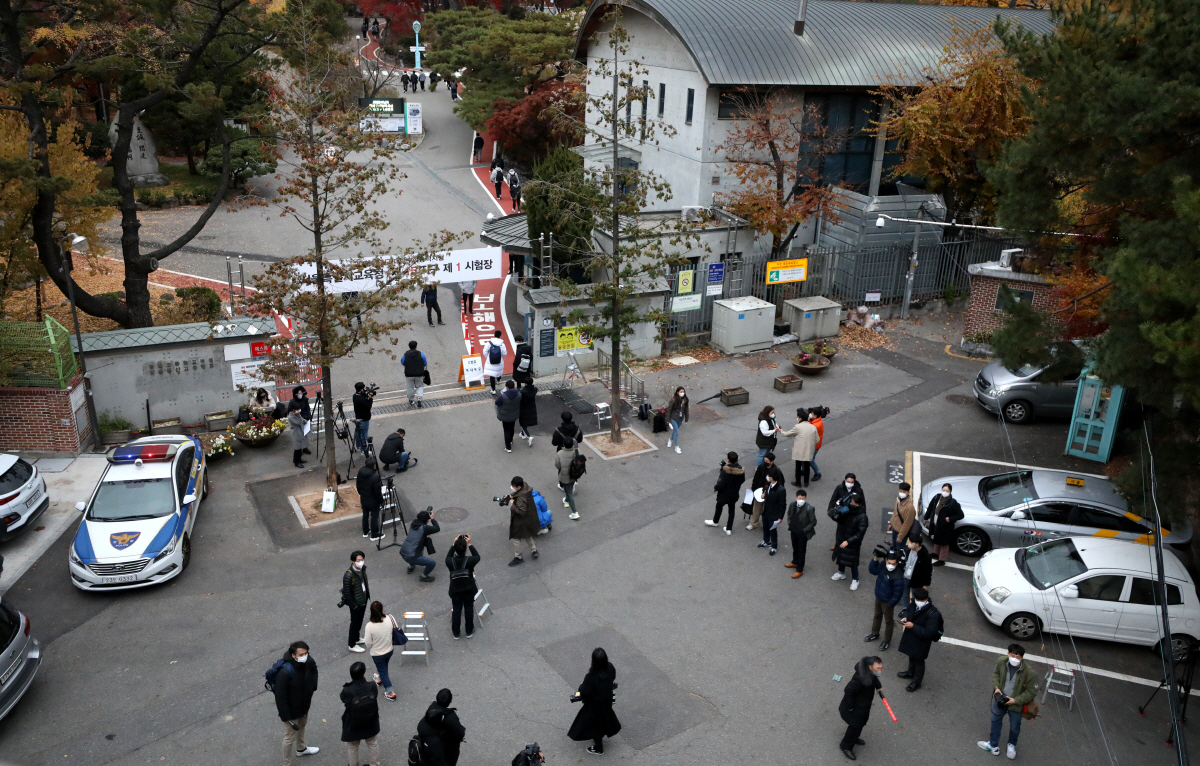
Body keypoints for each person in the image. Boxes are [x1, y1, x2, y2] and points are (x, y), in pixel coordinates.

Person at [978, 644, 1039, 759]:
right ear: (1008, 653)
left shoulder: (1030, 673)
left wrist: (1015, 700)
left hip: (1016, 704)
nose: (1014, 658)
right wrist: (996, 688)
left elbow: (1031, 692)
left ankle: (1011, 745)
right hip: (1000, 699)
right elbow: (996, 674)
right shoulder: (1002, 661)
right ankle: (993, 745)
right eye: (1012, 654)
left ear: (1022, 658)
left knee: (1015, 726)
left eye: (1018, 656)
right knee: (995, 721)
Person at [567, 647, 622, 756]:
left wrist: (581, 685)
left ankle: (598, 748)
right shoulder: (610, 667)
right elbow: (612, 678)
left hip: (595, 705)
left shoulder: (591, 677)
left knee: (594, 725)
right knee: (605, 719)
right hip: (607, 701)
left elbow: (584, 691)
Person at [275, 641, 320, 764]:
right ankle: (287, 763)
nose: (304, 656)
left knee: (302, 725)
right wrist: (286, 717)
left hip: (303, 705)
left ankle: (301, 748)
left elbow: (314, 669)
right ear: (293, 655)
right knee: (289, 738)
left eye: (306, 653)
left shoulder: (308, 661)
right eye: (301, 654)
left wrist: (313, 686)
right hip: (291, 711)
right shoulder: (285, 672)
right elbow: (280, 696)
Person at [897, 586, 942, 692]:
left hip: (922, 642)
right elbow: (909, 610)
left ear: (926, 599)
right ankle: (910, 672)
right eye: (917, 600)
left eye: (921, 600)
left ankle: (917, 682)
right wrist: (905, 616)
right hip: (912, 637)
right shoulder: (914, 604)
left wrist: (913, 626)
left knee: (919, 661)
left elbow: (929, 632)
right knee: (911, 656)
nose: (918, 602)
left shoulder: (933, 614)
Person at [838, 656, 882, 761]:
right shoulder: (860, 679)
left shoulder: (868, 674)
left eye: (881, 667)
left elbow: (874, 680)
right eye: (878, 668)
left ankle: (854, 738)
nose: (880, 670)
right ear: (870, 667)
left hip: (862, 707)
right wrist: (850, 707)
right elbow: (848, 691)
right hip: (855, 709)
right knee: (854, 727)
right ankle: (846, 746)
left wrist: (878, 686)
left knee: (859, 725)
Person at [831, 476, 868, 590]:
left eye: (853, 503)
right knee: (841, 556)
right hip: (842, 536)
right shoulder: (848, 511)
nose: (851, 504)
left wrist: (849, 541)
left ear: (858, 504)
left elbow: (860, 533)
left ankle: (855, 579)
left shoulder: (862, 517)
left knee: (852, 562)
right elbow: (840, 521)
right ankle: (841, 572)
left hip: (852, 543)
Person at [340, 661, 380, 766]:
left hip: (353, 722)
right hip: (370, 720)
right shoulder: (372, 686)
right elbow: (375, 696)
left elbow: (344, 700)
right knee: (372, 743)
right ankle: (374, 764)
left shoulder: (347, 690)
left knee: (353, 746)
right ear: (364, 673)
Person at [864, 548, 905, 650]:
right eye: (889, 562)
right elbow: (873, 570)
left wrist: (890, 603)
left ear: (897, 563)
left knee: (888, 622)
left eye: (893, 563)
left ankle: (886, 641)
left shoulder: (898, 576)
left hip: (887, 602)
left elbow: (898, 593)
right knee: (877, 616)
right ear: (886, 560)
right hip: (879, 597)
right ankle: (875, 633)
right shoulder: (883, 565)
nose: (890, 565)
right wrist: (876, 559)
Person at [362, 601, 398, 700]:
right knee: (383, 667)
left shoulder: (369, 626)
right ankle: (379, 678)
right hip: (389, 649)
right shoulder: (390, 618)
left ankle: (391, 692)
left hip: (377, 653)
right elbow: (396, 628)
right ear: (382, 609)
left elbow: (368, 643)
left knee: (383, 671)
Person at [445, 535, 480, 639]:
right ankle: (469, 631)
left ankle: (456, 632)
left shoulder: (449, 561)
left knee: (456, 610)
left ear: (455, 549)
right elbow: (477, 556)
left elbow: (448, 555)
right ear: (465, 550)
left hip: (455, 590)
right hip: (469, 589)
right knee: (468, 609)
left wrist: (454, 543)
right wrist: (470, 544)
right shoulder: (470, 561)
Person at [924, 482, 963, 566]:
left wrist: (950, 518)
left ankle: (942, 559)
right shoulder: (937, 497)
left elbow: (960, 515)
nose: (945, 492)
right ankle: (935, 553)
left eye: (947, 490)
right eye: (943, 490)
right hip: (936, 524)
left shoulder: (953, 503)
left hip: (946, 527)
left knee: (944, 543)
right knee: (937, 539)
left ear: (950, 492)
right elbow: (931, 508)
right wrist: (926, 518)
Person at [707, 451, 745, 534]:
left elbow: (721, 483)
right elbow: (742, 480)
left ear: (728, 460)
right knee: (731, 509)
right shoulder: (740, 469)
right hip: (734, 493)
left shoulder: (725, 470)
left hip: (724, 494)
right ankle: (729, 528)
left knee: (719, 506)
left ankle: (715, 521)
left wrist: (716, 488)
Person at [339, 551, 371, 651]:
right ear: (353, 561)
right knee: (354, 623)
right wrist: (354, 606)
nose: (360, 562)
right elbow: (347, 594)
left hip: (363, 600)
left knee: (359, 621)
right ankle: (352, 645)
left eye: (362, 560)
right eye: (358, 560)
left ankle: (356, 639)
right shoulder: (348, 575)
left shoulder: (362, 569)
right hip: (356, 604)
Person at [779, 408, 818, 487]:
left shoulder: (798, 427)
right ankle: (806, 482)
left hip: (799, 450)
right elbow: (817, 439)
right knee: (807, 466)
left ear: (800, 418)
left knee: (798, 467)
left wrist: (781, 431)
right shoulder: (813, 427)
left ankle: (798, 482)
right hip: (808, 450)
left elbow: (788, 434)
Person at [506, 476, 540, 566]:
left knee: (516, 538)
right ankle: (534, 550)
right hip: (529, 519)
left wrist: (512, 505)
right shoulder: (525, 487)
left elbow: (522, 512)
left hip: (520, 521)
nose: (512, 487)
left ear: (519, 487)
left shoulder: (521, 499)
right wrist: (511, 495)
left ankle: (518, 557)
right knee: (527, 535)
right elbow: (518, 493)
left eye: (513, 486)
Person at [428, 689, 466, 766]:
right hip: (448, 747)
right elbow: (459, 733)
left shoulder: (432, 708)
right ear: (450, 701)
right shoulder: (451, 716)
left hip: (433, 744)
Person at [400, 510, 440, 581]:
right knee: (432, 563)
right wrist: (432, 518)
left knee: (417, 550)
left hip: (403, 551)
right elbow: (437, 528)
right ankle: (423, 577)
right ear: (426, 520)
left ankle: (411, 566)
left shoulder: (414, 523)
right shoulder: (424, 528)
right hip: (411, 556)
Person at [747, 453, 783, 530]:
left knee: (766, 509)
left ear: (772, 461)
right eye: (765, 460)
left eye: (767, 461)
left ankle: (765, 523)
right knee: (756, 508)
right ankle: (753, 523)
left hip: (770, 493)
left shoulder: (776, 471)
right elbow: (756, 478)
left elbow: (780, 483)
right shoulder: (761, 467)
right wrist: (754, 488)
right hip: (759, 491)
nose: (765, 462)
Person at [786, 488, 817, 577]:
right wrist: (790, 524)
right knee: (795, 547)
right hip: (793, 530)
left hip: (802, 533)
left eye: (803, 498)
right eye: (799, 498)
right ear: (796, 497)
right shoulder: (792, 505)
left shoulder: (809, 508)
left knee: (801, 551)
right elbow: (789, 515)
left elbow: (813, 522)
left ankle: (800, 569)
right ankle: (795, 562)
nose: (801, 500)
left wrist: (804, 530)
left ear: (805, 498)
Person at [757, 471, 787, 554]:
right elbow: (765, 489)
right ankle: (766, 540)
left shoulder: (781, 490)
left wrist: (780, 517)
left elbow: (783, 505)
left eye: (769, 476)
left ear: (772, 478)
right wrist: (763, 494)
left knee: (772, 530)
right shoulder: (768, 484)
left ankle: (774, 546)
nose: (767, 477)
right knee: (765, 527)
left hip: (774, 513)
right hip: (766, 510)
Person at [902, 532, 933, 607]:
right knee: (905, 595)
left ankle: (914, 610)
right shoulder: (907, 550)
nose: (909, 543)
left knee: (915, 597)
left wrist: (925, 585)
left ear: (917, 544)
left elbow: (928, 572)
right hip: (906, 577)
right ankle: (905, 608)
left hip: (917, 580)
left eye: (911, 542)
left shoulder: (925, 556)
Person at [356, 459, 383, 541]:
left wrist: (361, 494)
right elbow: (377, 492)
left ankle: (366, 531)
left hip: (364, 498)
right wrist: (381, 500)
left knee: (365, 515)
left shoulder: (360, 472)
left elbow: (358, 485)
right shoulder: (375, 477)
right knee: (374, 516)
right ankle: (374, 534)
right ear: (374, 465)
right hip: (373, 500)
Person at [556, 437, 581, 520]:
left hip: (564, 476)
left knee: (569, 493)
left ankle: (574, 512)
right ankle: (566, 501)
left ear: (564, 444)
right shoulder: (578, 452)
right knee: (568, 490)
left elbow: (557, 465)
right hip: (575, 475)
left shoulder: (559, 453)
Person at [495, 379, 522, 452]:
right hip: (514, 415)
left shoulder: (503, 396)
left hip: (505, 416)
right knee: (512, 427)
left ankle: (508, 447)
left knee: (506, 430)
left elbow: (497, 402)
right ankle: (511, 440)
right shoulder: (519, 394)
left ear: (507, 387)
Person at [401, 340, 428, 408]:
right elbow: (425, 363)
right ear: (416, 346)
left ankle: (411, 400)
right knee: (419, 386)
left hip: (409, 374)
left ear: (409, 347)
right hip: (419, 374)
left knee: (410, 387)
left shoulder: (405, 355)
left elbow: (402, 362)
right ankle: (419, 399)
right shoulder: (421, 354)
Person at [890, 482, 916, 547]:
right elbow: (895, 513)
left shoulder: (910, 508)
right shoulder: (898, 500)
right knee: (894, 548)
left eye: (904, 491)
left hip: (901, 533)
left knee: (899, 552)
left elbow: (907, 524)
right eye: (900, 491)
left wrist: (900, 537)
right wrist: (891, 523)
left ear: (908, 492)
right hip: (895, 529)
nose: (901, 493)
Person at [665, 386, 689, 454]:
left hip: (680, 418)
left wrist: (686, 419)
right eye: (681, 392)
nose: (682, 393)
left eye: (683, 391)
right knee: (677, 432)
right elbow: (669, 410)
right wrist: (668, 420)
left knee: (675, 431)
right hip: (674, 418)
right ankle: (676, 446)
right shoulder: (674, 400)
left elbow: (686, 410)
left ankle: (670, 440)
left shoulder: (685, 400)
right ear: (677, 392)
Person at [352, 382, 374, 453]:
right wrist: (370, 398)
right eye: (363, 389)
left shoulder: (355, 396)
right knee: (364, 434)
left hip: (358, 417)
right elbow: (368, 406)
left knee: (358, 433)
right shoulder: (361, 399)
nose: (364, 390)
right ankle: (363, 450)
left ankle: (358, 445)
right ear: (361, 389)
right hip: (364, 419)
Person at [808, 405, 827, 481]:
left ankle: (817, 473)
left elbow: (808, 430)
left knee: (810, 460)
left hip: (815, 445)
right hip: (814, 444)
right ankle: (803, 469)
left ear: (815, 416)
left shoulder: (816, 425)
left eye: (812, 414)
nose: (810, 415)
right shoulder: (816, 421)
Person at [288, 401, 308, 469]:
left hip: (300, 432)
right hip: (295, 433)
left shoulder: (296, 415)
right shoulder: (291, 417)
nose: (297, 411)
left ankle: (299, 459)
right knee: (297, 448)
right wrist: (299, 415)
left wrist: (305, 421)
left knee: (300, 447)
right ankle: (296, 462)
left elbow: (302, 419)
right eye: (296, 410)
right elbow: (299, 422)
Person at [518, 381, 538, 446]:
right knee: (526, 422)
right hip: (532, 408)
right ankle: (522, 434)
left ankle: (529, 437)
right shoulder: (535, 389)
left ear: (525, 383)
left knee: (522, 423)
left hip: (523, 409)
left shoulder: (522, 392)